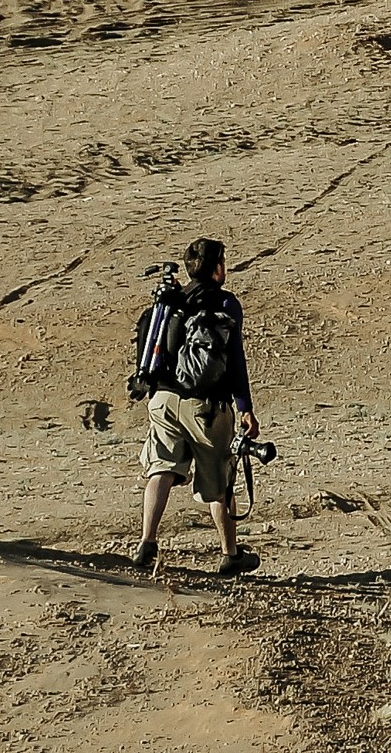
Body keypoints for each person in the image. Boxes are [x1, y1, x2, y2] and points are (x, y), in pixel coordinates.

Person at [127, 236, 260, 575]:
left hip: (161, 400)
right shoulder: (225, 304)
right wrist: (245, 407)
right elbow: (235, 361)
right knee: (220, 480)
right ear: (217, 269)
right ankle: (230, 554)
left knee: (162, 468)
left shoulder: (171, 302)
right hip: (205, 406)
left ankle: (147, 543)